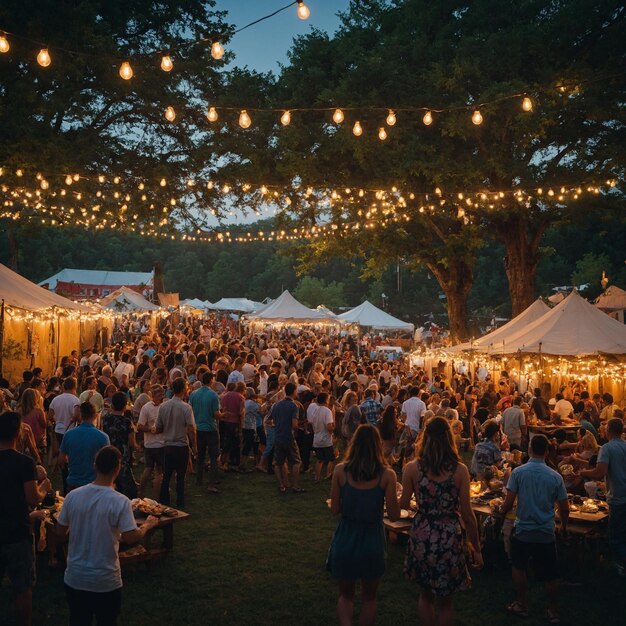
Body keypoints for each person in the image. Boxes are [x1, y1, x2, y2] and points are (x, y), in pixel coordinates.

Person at [57, 446, 158, 626]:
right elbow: (131, 537)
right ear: (118, 469)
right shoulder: (120, 501)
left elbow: (59, 533)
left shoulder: (72, 496)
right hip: (105, 581)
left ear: (95, 466)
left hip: (75, 578)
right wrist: (147, 526)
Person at [401, 416, 482, 626]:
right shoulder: (459, 470)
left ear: (425, 438)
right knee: (446, 602)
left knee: (425, 596)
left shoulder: (412, 468)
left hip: (422, 533)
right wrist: (477, 547)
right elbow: (468, 514)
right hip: (449, 536)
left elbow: (402, 505)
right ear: (449, 439)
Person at [328, 425, 400, 626]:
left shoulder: (340, 470)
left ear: (354, 444)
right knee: (369, 598)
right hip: (372, 540)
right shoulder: (387, 475)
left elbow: (334, 509)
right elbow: (394, 515)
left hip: (346, 538)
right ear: (378, 445)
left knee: (345, 595)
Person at [499, 434, 569, 622]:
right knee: (550, 572)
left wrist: (501, 514)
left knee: (519, 566)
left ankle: (522, 603)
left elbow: (508, 502)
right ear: (547, 452)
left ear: (530, 450)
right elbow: (564, 507)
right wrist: (563, 527)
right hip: (546, 530)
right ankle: (553, 610)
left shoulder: (519, 473)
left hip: (523, 529)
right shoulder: (555, 476)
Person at [0, 411, 51, 626]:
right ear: (17, 434)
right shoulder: (24, 463)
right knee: (22, 585)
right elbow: (32, 498)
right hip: (18, 531)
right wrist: (44, 488)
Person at [580, 418, 626, 576]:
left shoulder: (607, 448)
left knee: (616, 536)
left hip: (618, 497)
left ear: (609, 430)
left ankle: (620, 567)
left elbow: (600, 472)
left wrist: (583, 472)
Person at [156, 377, 196, 508]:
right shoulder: (186, 408)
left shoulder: (163, 406)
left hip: (167, 445)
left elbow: (158, 428)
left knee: (166, 475)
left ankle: (163, 501)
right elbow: (191, 429)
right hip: (181, 445)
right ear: (184, 389)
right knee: (180, 477)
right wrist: (194, 446)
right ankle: (180, 502)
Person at [60, 402, 110, 492]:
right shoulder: (103, 437)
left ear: (80, 416)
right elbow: (108, 463)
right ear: (95, 416)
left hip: (74, 482)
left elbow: (61, 460)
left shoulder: (68, 434)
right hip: (95, 484)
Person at [268, 382, 304, 493]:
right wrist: (299, 427)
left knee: (279, 462)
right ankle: (295, 485)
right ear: (294, 391)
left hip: (278, 436)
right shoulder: (294, 405)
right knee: (296, 461)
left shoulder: (277, 404)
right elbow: (294, 424)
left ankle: (282, 485)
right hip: (288, 436)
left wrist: (276, 424)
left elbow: (268, 420)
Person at [189, 372, 222, 491]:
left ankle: (199, 479)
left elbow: (190, 410)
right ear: (211, 381)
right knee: (214, 456)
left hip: (198, 428)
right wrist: (223, 415)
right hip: (210, 428)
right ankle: (211, 483)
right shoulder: (213, 395)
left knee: (200, 455)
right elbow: (216, 414)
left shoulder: (193, 394)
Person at [102, 392, 138, 499]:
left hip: (109, 451)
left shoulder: (106, 419)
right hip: (123, 454)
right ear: (124, 406)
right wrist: (137, 446)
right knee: (127, 486)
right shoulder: (127, 422)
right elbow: (131, 442)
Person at [136, 385, 167, 498]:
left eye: (162, 394)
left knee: (156, 470)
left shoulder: (165, 407)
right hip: (151, 444)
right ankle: (143, 494)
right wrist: (152, 429)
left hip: (161, 444)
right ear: (152, 396)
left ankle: (154, 495)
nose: (162, 397)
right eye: (159, 395)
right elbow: (139, 426)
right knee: (151, 470)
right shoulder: (146, 408)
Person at [307, 392, 335, 482]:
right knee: (331, 458)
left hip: (317, 438)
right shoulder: (327, 411)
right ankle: (328, 474)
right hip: (326, 439)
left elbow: (310, 422)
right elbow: (329, 426)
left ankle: (316, 477)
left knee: (319, 459)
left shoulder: (315, 410)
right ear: (326, 400)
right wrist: (332, 431)